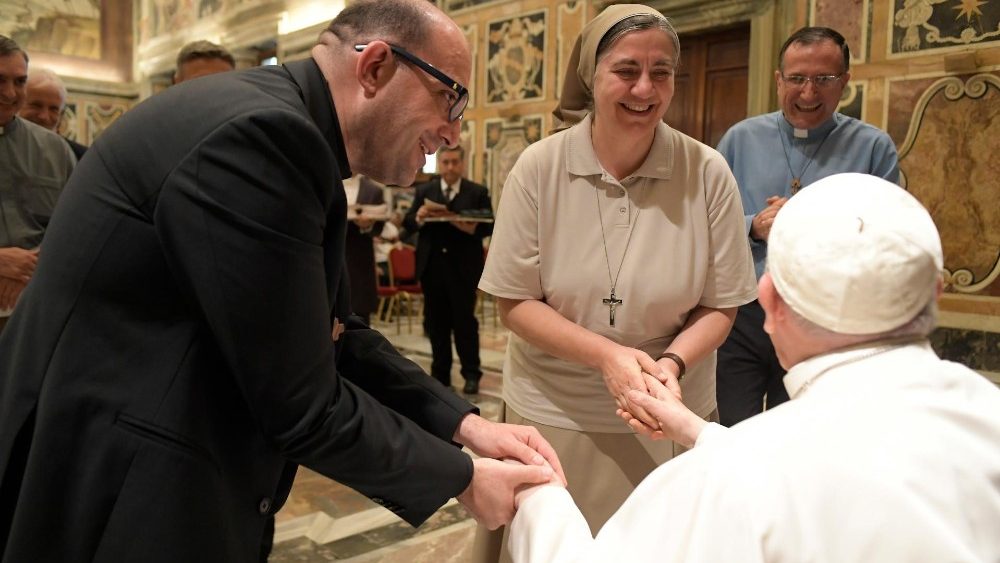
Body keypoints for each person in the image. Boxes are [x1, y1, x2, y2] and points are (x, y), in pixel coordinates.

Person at [0, 3, 565, 561]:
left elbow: (336, 335)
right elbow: (302, 405)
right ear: (375, 68)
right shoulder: (264, 137)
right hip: (111, 481)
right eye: (450, 99)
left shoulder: (282, 129)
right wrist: (464, 478)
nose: (451, 131)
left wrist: (465, 424)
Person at [507, 173, 1000, 562]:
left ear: (770, 302)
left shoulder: (725, 478)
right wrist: (699, 431)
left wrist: (539, 499)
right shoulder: (988, 414)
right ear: (934, 294)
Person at [474, 5, 756, 561]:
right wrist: (607, 356)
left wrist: (670, 367)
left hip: (665, 414)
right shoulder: (539, 167)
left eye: (662, 72)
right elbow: (515, 302)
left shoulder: (707, 172)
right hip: (556, 413)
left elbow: (722, 305)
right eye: (626, 70)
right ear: (592, 75)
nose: (645, 88)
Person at [715, 26, 900, 426]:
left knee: (801, 436)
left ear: (845, 82)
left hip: (822, 320)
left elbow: (888, 234)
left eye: (824, 79)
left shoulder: (872, 147)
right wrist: (753, 225)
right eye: (797, 79)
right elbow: (703, 224)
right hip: (741, 316)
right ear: (779, 79)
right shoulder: (740, 139)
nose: (808, 93)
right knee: (728, 437)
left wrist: (813, 222)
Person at [403, 144, 493, 394]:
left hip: (463, 268)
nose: (450, 167)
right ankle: (439, 375)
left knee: (465, 323)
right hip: (432, 267)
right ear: (440, 164)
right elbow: (408, 223)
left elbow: (490, 224)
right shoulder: (425, 191)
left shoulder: (477, 192)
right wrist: (420, 216)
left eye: (455, 162)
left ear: (462, 164)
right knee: (436, 323)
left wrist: (469, 227)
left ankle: (471, 374)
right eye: (446, 162)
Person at [0, 36, 75, 333]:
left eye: (19, 82)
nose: (9, 92)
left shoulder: (55, 149)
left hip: (38, 311)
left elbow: (77, 224)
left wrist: (32, 267)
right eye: (0, 80)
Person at [344, 174, 387, 324]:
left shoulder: (373, 190)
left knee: (360, 320)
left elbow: (379, 227)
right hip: (327, 259)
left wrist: (367, 226)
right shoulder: (327, 180)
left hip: (359, 261)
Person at [18, 68, 88, 159]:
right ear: (16, 105)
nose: (44, 116)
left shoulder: (81, 157)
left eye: (53, 109)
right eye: (36, 105)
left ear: (61, 116)